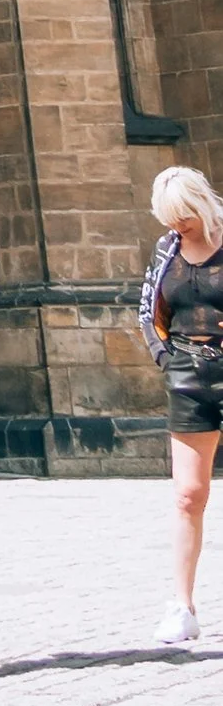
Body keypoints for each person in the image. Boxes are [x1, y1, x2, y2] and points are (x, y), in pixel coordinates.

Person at [138, 164, 223, 647]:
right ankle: (183, 606)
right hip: (188, 377)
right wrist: (164, 357)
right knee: (188, 496)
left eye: (183, 217)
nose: (177, 226)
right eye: (168, 218)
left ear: (200, 205)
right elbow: (148, 307)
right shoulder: (167, 248)